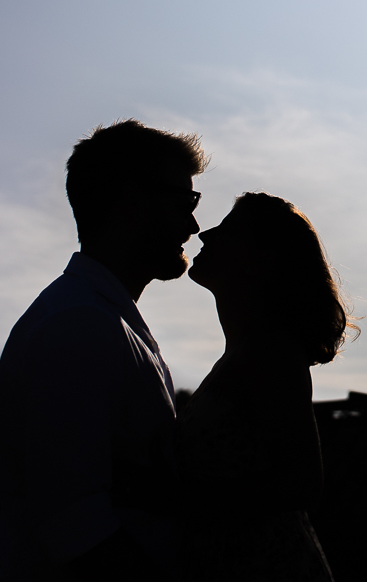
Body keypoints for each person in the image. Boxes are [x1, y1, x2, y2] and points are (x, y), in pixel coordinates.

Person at [0, 120, 207, 581]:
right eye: (183, 201)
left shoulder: (97, 318)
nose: (193, 225)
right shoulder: (79, 326)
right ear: (132, 201)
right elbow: (75, 525)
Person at [174, 192, 353, 581]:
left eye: (228, 230)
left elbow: (302, 483)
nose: (205, 234)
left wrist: (171, 498)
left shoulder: (269, 355)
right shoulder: (248, 355)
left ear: (260, 259)